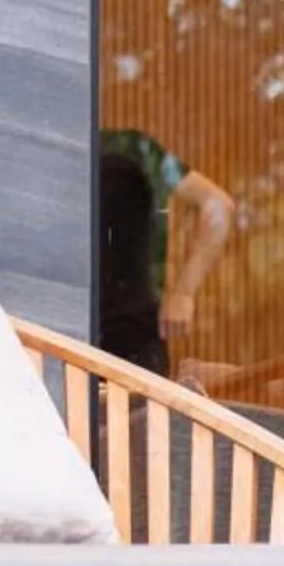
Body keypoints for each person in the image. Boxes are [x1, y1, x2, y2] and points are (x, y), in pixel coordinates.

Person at [97, 126, 234, 378]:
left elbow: (217, 206)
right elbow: (218, 206)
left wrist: (183, 292)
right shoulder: (127, 148)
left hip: (124, 340)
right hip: (113, 342)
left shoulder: (130, 148)